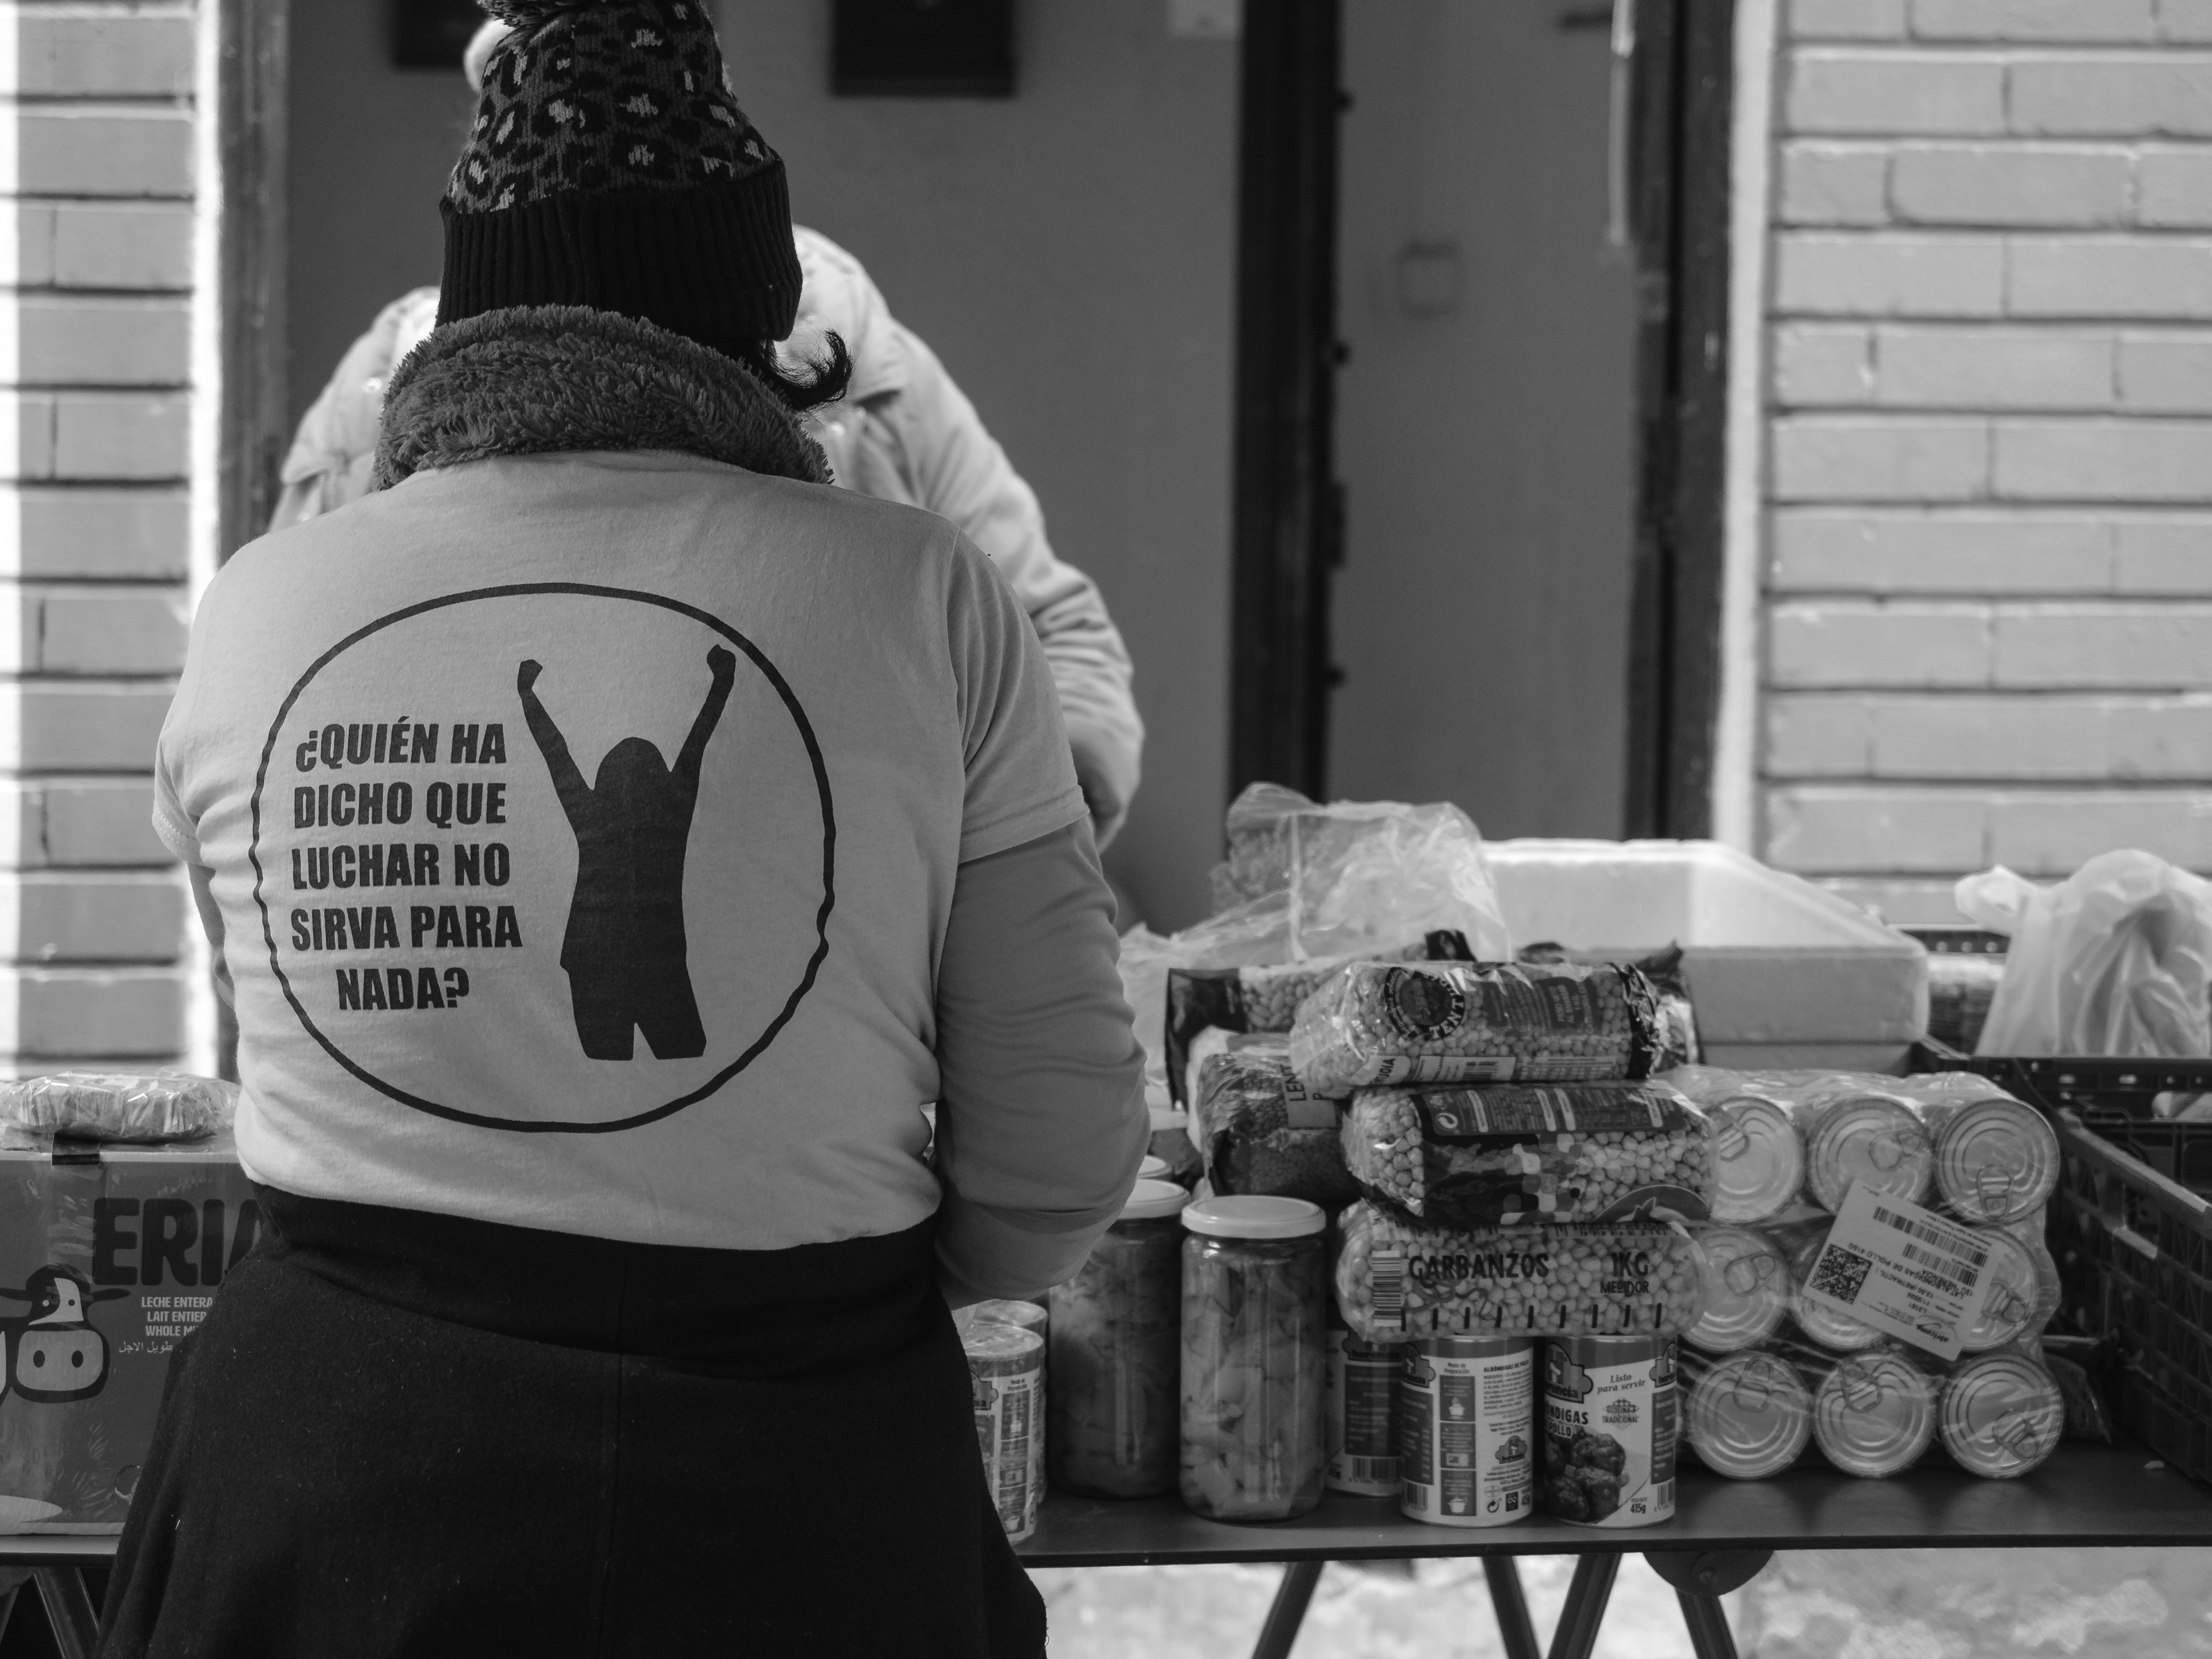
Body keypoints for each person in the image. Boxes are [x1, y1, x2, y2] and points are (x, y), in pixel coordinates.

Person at [103, 2, 1146, 1652]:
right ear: (767, 309)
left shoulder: (258, 608)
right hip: (794, 1473)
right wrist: (794, 1241)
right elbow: (1057, 1166)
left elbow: (294, 1046)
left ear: (461, 309)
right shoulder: (923, 595)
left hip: (329, 1477)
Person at [273, 26, 1143, 846]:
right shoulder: (380, 396)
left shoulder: (861, 364)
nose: (585, 169)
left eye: (634, 130)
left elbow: (1050, 638)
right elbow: (280, 715)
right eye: (540, 129)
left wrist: (988, 853)